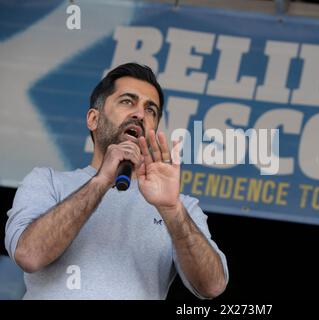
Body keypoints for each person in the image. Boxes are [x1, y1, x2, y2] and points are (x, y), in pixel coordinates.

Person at [4, 63, 228, 299]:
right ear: (93, 119)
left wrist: (172, 210)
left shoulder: (179, 205)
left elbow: (212, 286)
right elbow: (29, 255)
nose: (139, 114)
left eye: (150, 110)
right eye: (127, 101)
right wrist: (101, 181)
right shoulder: (47, 181)